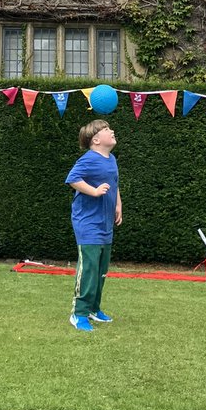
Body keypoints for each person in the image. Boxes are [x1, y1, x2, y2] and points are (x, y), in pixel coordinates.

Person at [65, 117, 122, 331]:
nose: (112, 131)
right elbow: (73, 179)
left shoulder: (112, 159)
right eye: (107, 129)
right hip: (87, 222)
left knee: (101, 269)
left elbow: (115, 184)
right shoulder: (88, 159)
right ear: (96, 139)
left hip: (106, 221)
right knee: (89, 268)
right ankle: (78, 313)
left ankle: (93, 309)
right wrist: (95, 191)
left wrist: (118, 205)